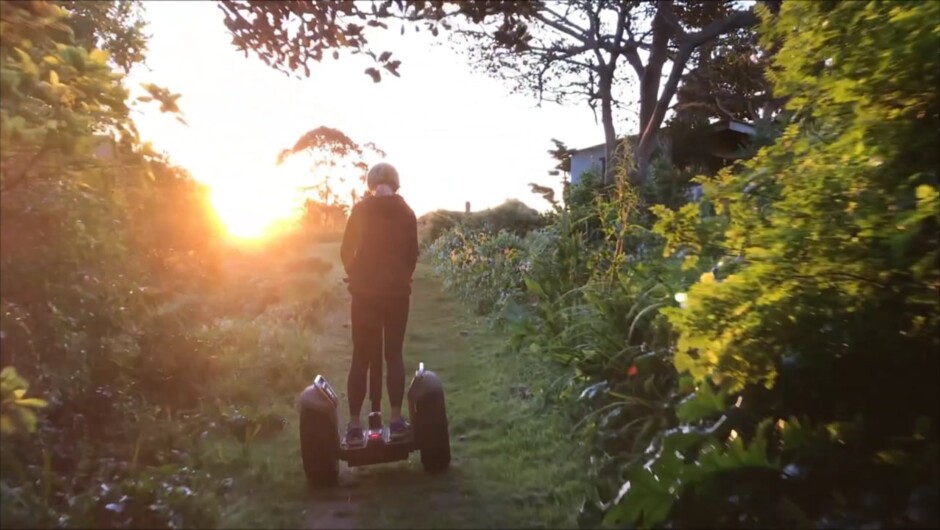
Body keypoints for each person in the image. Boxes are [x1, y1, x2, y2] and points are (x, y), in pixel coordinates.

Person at [340, 162, 418, 446]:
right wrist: (399, 279)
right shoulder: (407, 212)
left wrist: (357, 277)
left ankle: (354, 426)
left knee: (361, 356)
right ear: (395, 184)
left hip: (364, 296)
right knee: (393, 355)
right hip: (397, 296)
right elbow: (412, 255)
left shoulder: (360, 210)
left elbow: (346, 250)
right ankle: (396, 420)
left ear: (371, 185)